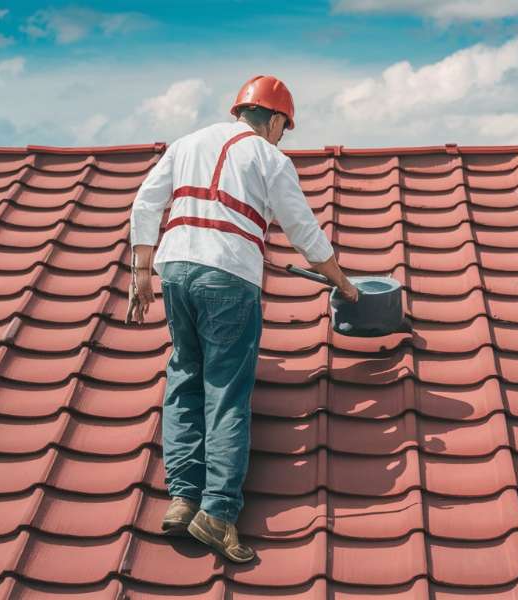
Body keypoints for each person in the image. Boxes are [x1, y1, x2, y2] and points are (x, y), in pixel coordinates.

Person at [126, 74, 358, 563]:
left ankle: (182, 498)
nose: (281, 136)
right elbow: (303, 230)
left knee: (185, 376)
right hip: (228, 278)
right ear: (273, 119)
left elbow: (147, 201)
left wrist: (140, 271)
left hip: (175, 269)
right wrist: (341, 281)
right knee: (226, 390)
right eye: (284, 127)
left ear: (239, 111)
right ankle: (217, 512)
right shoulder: (270, 157)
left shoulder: (187, 144)